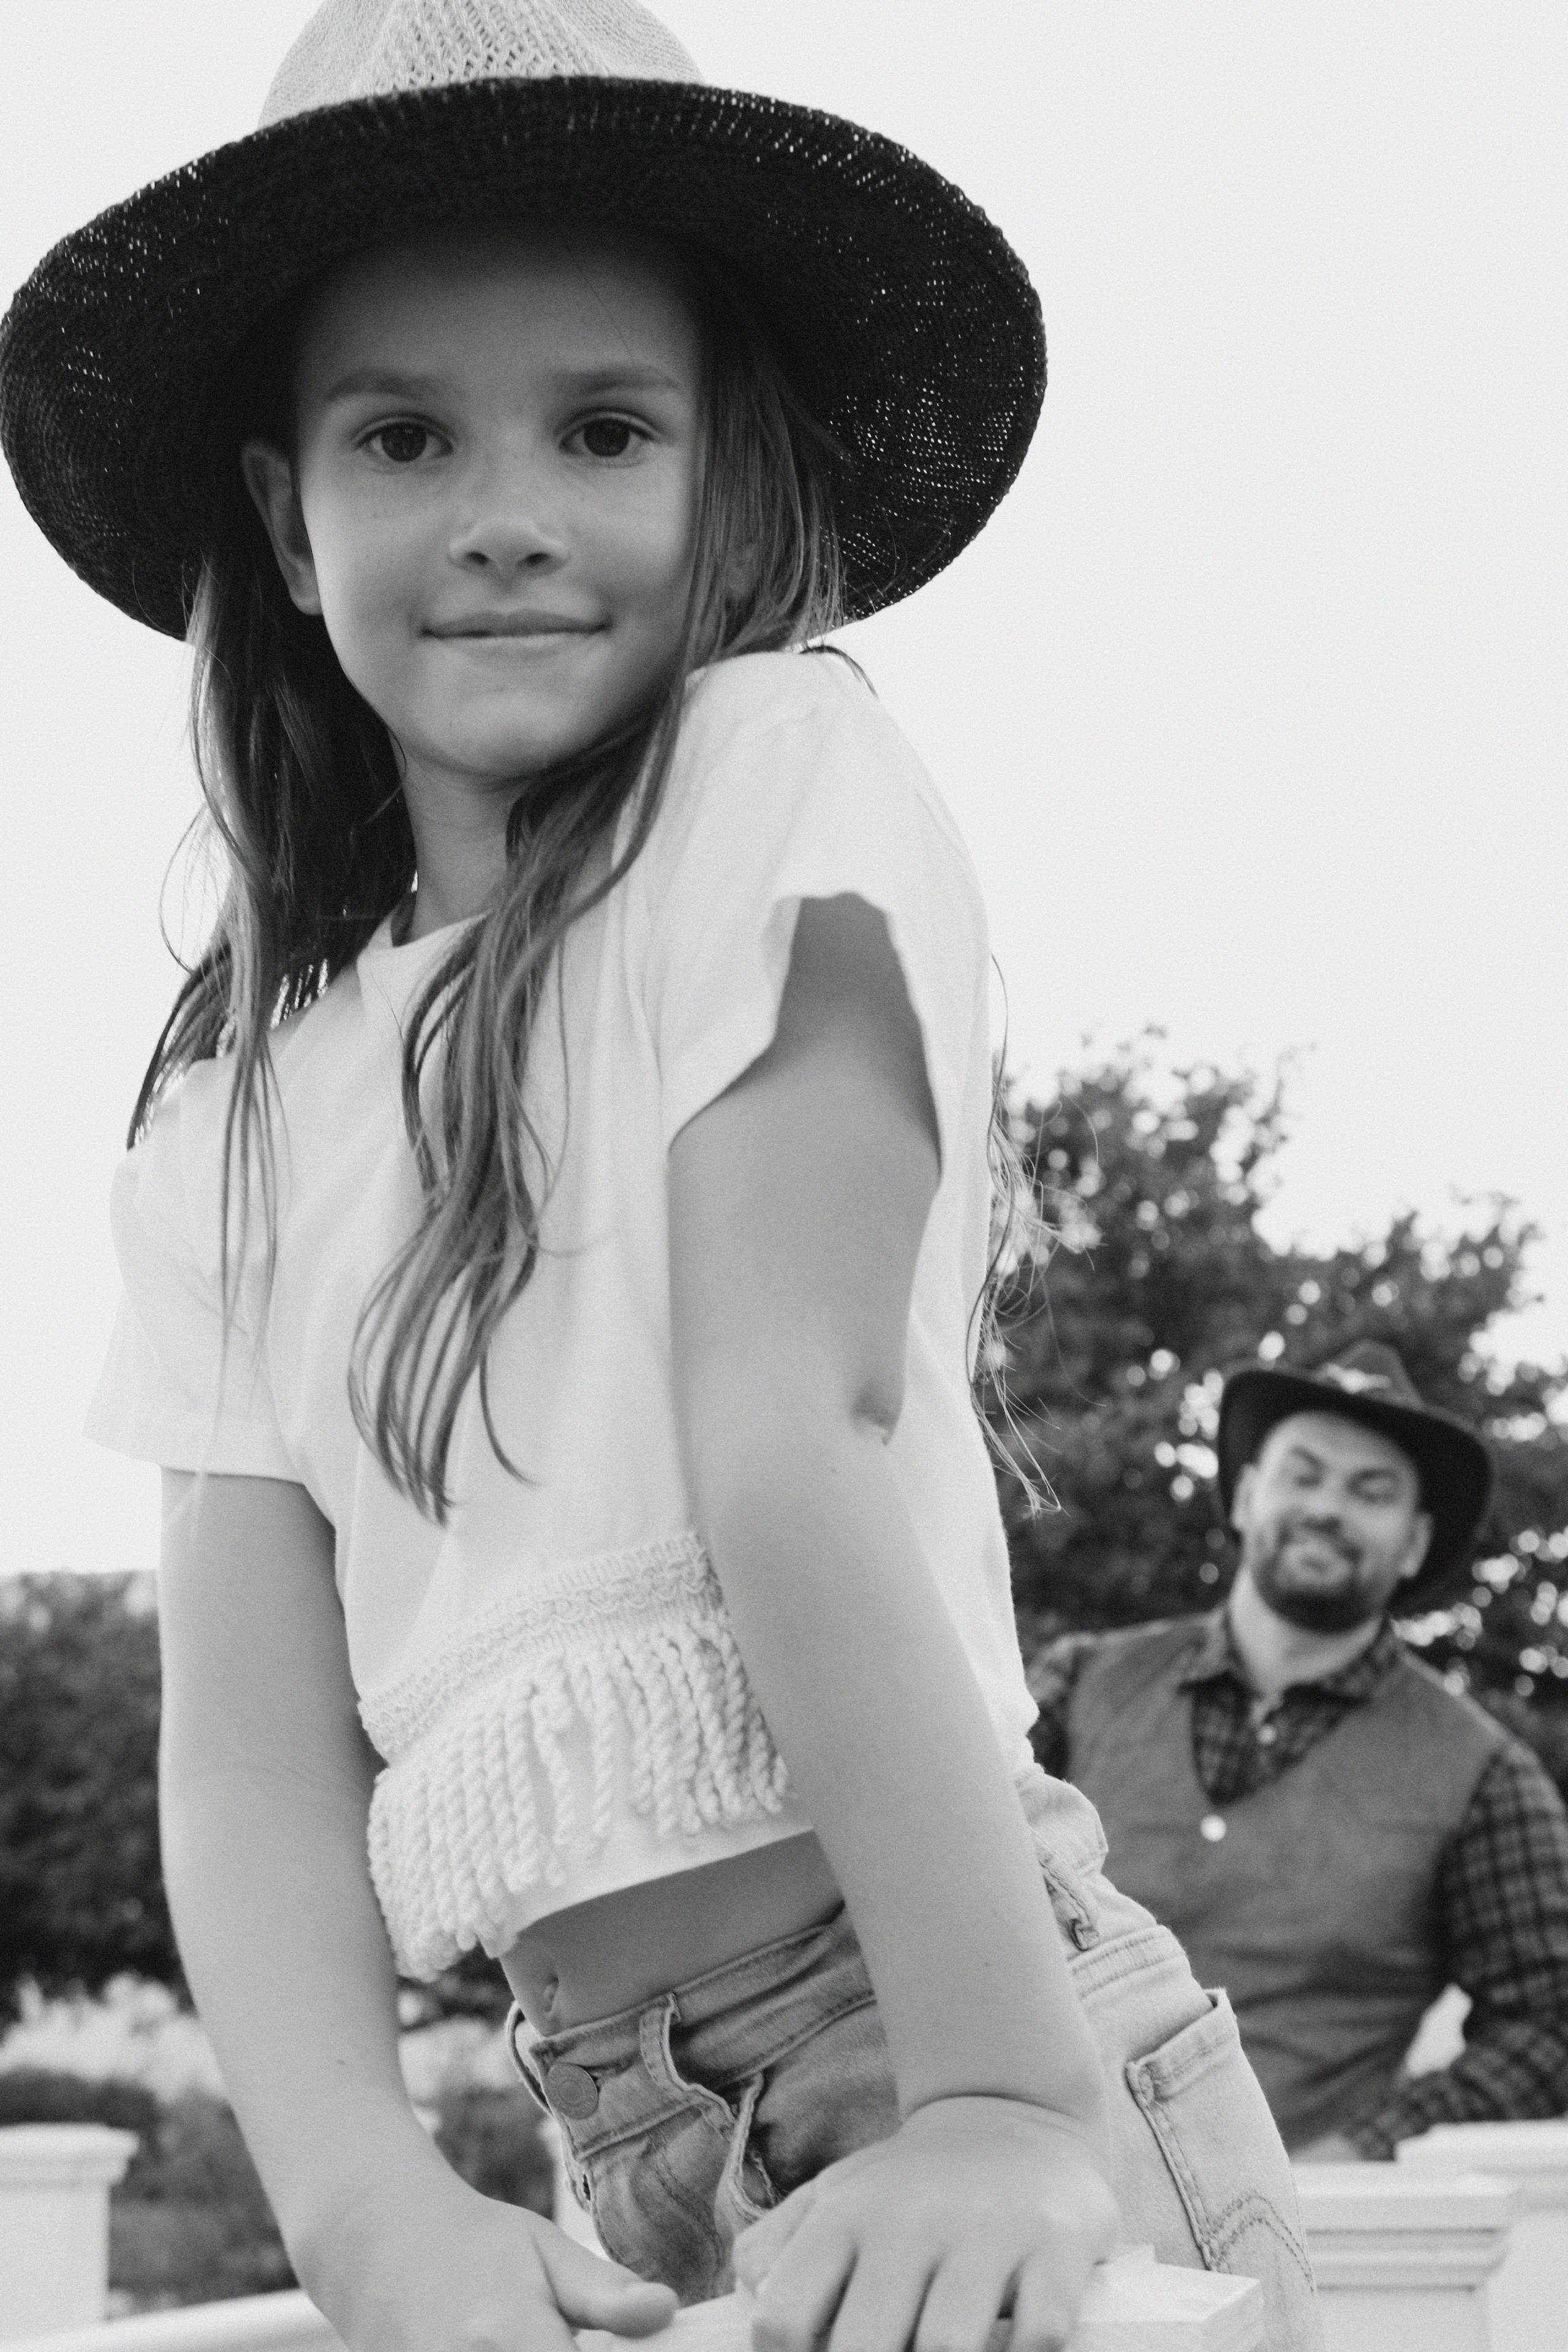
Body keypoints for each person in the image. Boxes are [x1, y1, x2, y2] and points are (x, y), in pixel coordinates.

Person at [0, 5, 1321, 2348]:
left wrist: (1008, 2099)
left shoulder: (770, 773)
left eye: (602, 427)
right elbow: (247, 1732)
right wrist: (356, 2196)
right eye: (403, 435)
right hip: (608, 2121)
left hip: (945, 2010)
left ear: (725, 487)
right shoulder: (228, 1110)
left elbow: (778, 1438)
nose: (504, 503)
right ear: (291, 526)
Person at [1031, 1341, 1568, 2160]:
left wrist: (1369, 2146)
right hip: (1044, 2199)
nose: (1327, 1507)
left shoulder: (1485, 1776)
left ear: (1416, 1542)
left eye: (1371, 1492)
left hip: (1308, 2243)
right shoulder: (1078, 1686)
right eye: (1303, 1473)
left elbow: (1550, 2025)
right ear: (1248, 1496)